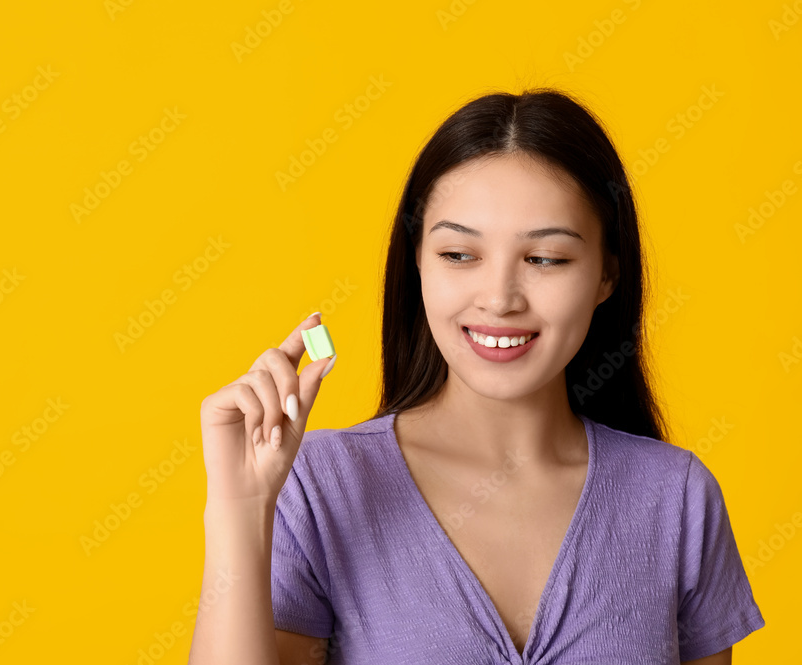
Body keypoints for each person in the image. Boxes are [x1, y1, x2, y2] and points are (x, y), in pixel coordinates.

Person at [187, 88, 766, 665]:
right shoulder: (320, 490)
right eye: (459, 255)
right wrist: (240, 510)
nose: (498, 299)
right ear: (416, 262)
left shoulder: (676, 499)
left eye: (545, 259)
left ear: (607, 275)